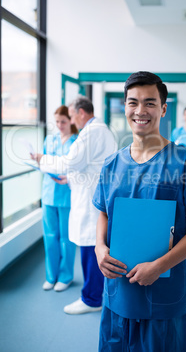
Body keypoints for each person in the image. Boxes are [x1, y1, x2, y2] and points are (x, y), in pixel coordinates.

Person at [92, 71, 186, 351]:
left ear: (163, 108)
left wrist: (160, 266)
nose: (141, 111)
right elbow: (103, 210)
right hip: (119, 290)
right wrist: (99, 247)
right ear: (125, 107)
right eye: (133, 102)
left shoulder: (184, 162)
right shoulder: (112, 164)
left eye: (150, 103)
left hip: (163, 290)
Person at [33, 96, 117, 314]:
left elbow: (70, 162)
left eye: (71, 116)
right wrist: (70, 179)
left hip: (91, 200)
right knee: (92, 245)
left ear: (81, 112)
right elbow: (88, 166)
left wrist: (43, 159)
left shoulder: (92, 132)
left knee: (91, 246)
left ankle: (91, 299)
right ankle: (93, 295)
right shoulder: (97, 131)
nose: (71, 121)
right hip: (91, 192)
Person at [41, 105, 78, 292]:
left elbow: (78, 168)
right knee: (49, 237)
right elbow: (45, 162)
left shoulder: (77, 141)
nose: (59, 125)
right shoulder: (50, 139)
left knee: (66, 238)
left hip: (67, 196)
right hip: (48, 194)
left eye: (63, 121)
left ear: (71, 120)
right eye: (57, 122)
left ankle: (65, 276)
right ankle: (51, 276)